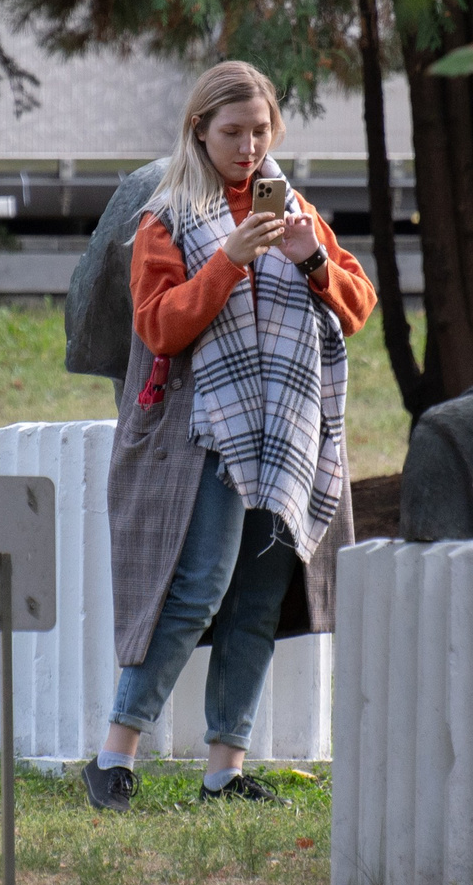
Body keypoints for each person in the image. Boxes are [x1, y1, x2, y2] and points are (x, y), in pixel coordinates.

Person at [83, 61, 376, 811]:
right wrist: (230, 259)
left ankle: (225, 768)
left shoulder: (294, 208)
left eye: (260, 131)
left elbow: (356, 303)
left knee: (257, 596)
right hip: (205, 434)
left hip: (288, 434)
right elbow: (159, 323)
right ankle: (115, 754)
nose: (249, 147)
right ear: (200, 132)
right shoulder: (167, 216)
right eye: (233, 133)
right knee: (195, 591)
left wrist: (310, 257)